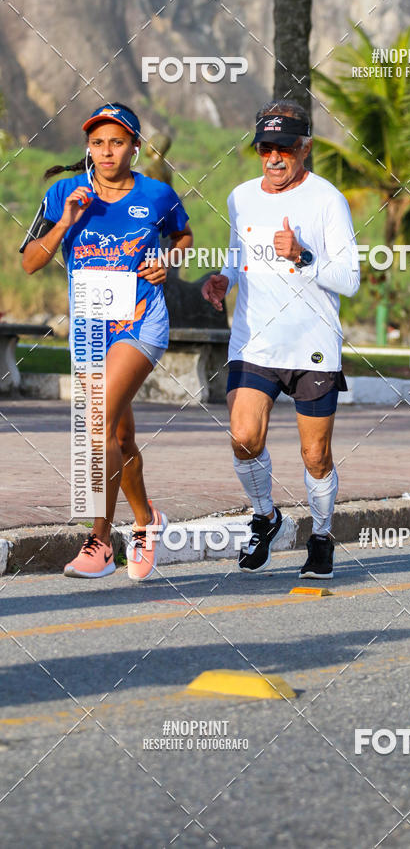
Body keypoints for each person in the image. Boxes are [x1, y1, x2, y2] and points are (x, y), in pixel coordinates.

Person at [21, 102, 193, 581]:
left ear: (135, 147)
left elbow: (184, 236)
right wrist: (65, 222)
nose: (106, 151)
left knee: (97, 425)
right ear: (88, 148)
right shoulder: (63, 193)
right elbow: (30, 262)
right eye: (98, 142)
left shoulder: (157, 194)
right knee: (119, 435)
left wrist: (166, 258)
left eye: (117, 142)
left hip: (140, 322)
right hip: (90, 329)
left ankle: (100, 540)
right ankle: (147, 521)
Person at [202, 99, 360, 579]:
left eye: (284, 149)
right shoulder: (240, 197)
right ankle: (265, 515)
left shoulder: (327, 199)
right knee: (244, 437)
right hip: (255, 342)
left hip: (313, 346)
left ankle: (321, 535)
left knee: (316, 456)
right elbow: (236, 256)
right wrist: (223, 279)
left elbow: (350, 278)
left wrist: (304, 254)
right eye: (265, 148)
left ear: (304, 148)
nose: (273, 158)